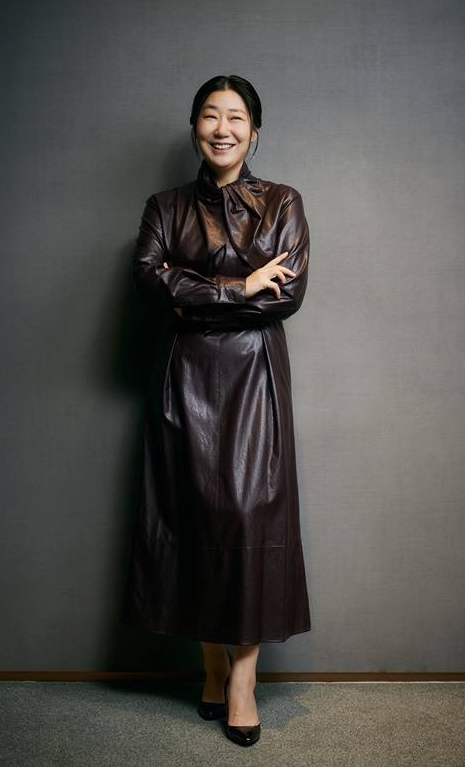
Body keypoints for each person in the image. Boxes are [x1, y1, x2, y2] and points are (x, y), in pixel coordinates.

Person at [121, 74, 311, 747]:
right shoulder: (165, 206)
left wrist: (194, 295)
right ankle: (210, 665)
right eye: (210, 115)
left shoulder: (282, 202)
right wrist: (239, 285)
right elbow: (150, 282)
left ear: (254, 133)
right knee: (193, 517)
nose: (222, 128)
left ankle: (243, 679)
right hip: (184, 381)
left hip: (254, 378)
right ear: (195, 128)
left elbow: (285, 297)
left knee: (251, 518)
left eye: (236, 117)